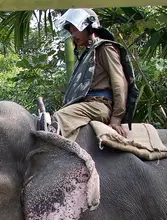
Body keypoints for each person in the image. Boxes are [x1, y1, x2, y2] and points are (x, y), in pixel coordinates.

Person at [51, 8, 135, 141]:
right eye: (71, 31)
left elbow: (119, 81)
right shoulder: (87, 54)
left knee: (58, 118)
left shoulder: (104, 48)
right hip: (85, 105)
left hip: (98, 105)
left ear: (89, 27)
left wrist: (116, 118)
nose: (72, 34)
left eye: (75, 29)